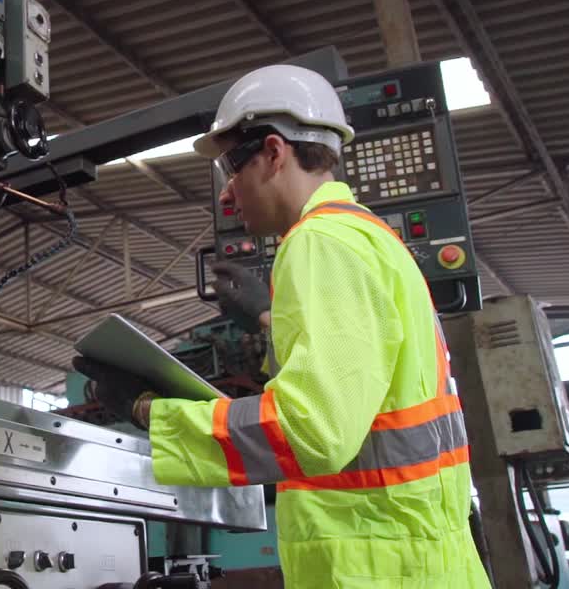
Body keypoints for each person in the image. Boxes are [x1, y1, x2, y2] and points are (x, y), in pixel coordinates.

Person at [74, 64, 490, 588]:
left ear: (273, 152)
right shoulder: (371, 240)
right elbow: (364, 380)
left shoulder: (320, 243)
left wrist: (148, 412)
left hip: (374, 567)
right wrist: (269, 318)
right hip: (419, 560)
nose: (226, 194)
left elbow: (312, 430)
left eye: (230, 166)